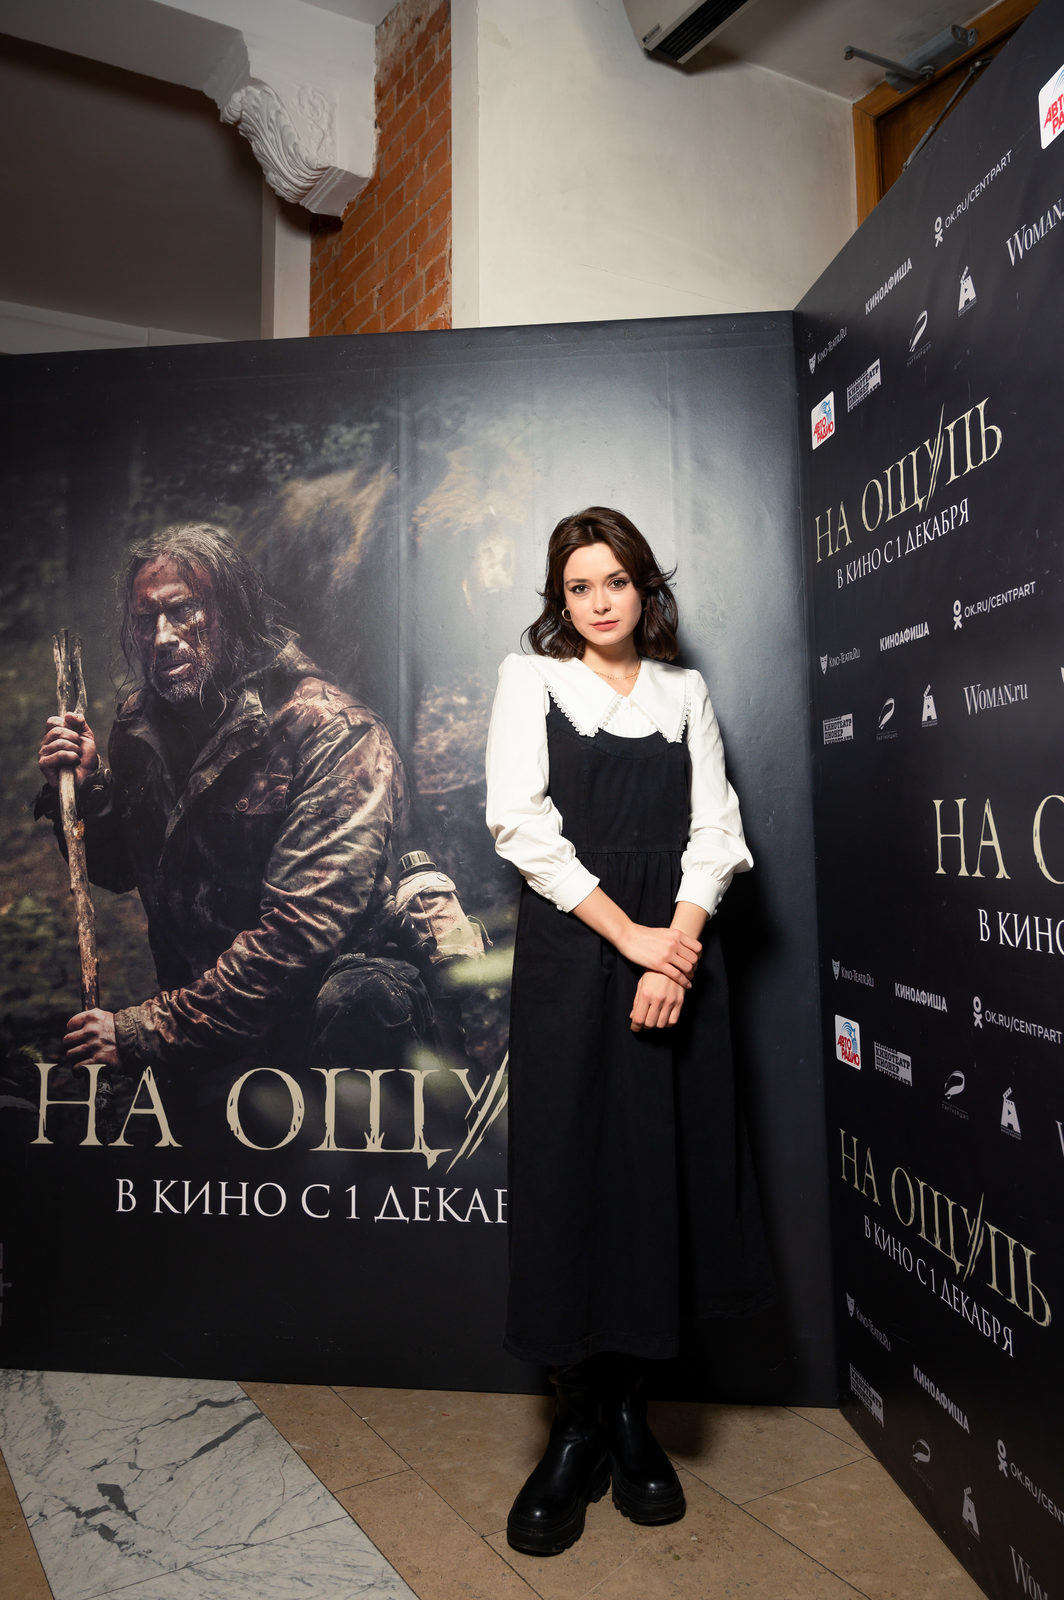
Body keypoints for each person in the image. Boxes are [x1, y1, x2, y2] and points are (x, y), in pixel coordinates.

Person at [485, 507, 773, 1556]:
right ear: (558, 601)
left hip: (675, 958)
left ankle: (628, 1414)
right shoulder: (530, 679)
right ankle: (572, 1424)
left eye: (615, 581)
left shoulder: (684, 693)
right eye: (578, 587)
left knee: (656, 1175)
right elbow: (518, 823)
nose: (598, 601)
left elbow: (718, 831)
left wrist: (675, 951)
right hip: (576, 953)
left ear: (644, 588)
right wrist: (632, 940)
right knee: (570, 1173)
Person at [36, 522, 428, 1095]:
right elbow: (122, 869)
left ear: (233, 613)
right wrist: (87, 788)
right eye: (146, 619)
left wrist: (143, 1034)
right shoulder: (141, 724)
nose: (162, 637)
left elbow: (299, 937)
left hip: (325, 1030)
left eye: (184, 611)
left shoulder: (332, 733)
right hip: (210, 1031)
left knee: (361, 1001)